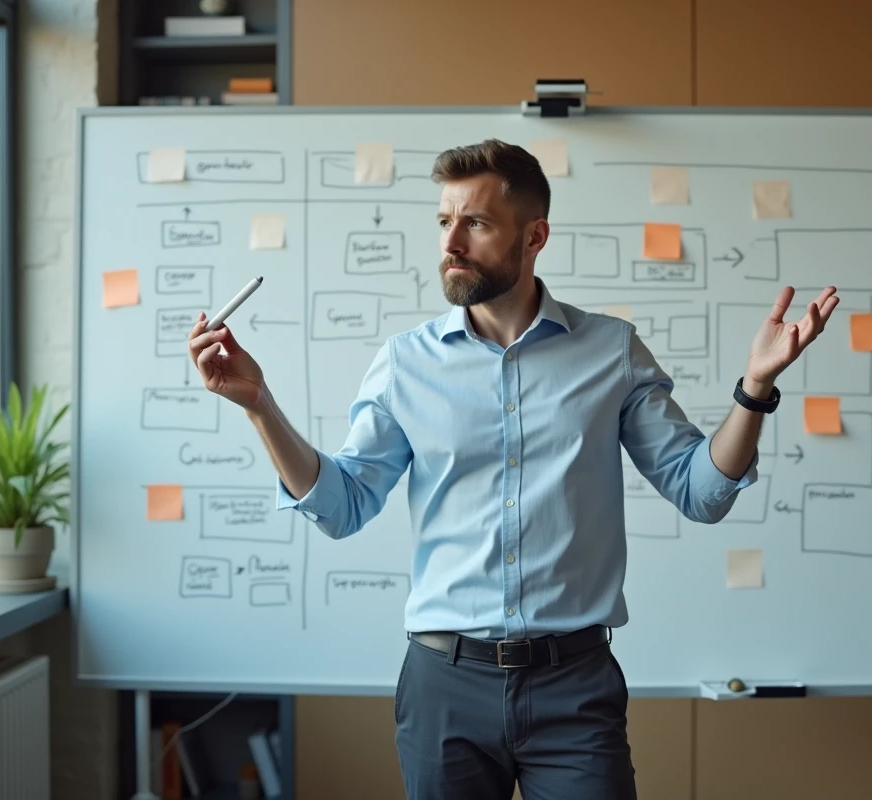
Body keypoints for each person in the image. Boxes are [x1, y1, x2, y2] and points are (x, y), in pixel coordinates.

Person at [187, 139, 838, 799]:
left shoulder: (610, 351)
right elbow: (342, 506)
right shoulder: (405, 363)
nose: (452, 242)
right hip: (445, 684)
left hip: (574, 687)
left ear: (535, 235)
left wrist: (754, 387)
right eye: (445, 222)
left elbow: (702, 492)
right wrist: (258, 404)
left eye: (476, 222)